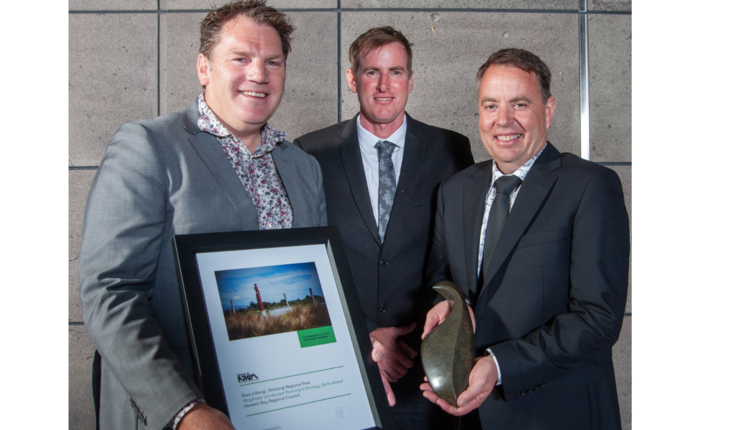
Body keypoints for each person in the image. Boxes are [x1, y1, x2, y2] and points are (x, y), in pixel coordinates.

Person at [78, 2, 326, 429]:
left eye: (273, 62)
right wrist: (183, 410)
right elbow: (110, 292)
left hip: (281, 403)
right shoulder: (150, 147)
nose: (258, 74)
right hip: (179, 411)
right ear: (204, 68)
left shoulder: (303, 167)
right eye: (240, 59)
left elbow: (317, 287)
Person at [420, 48, 630, 429]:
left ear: (548, 110)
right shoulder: (455, 190)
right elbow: (445, 280)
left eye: (520, 104)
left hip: (558, 413)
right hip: (471, 413)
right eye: (490, 106)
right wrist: (452, 304)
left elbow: (598, 321)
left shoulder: (590, 187)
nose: (503, 121)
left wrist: (500, 366)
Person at [293, 26, 474, 428]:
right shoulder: (309, 153)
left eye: (395, 72)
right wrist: (367, 338)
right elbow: (306, 261)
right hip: (340, 363)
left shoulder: (451, 150)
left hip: (425, 364)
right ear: (352, 78)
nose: (384, 85)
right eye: (372, 72)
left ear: (411, 79)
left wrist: (407, 341)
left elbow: (457, 258)